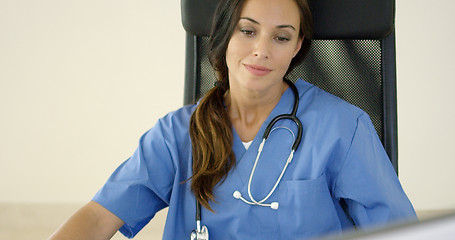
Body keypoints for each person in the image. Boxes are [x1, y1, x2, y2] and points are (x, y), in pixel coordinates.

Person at [49, 0, 417, 239]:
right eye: (248, 30)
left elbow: (398, 233)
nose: (262, 50)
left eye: (281, 37)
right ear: (225, 35)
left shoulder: (342, 128)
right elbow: (98, 218)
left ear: (298, 47)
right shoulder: (176, 135)